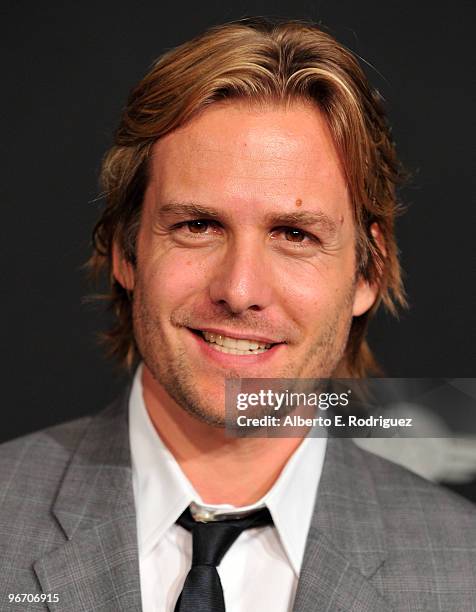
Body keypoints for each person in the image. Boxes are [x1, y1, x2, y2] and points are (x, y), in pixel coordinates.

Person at [0, 18, 475, 612]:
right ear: (125, 251)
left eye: (295, 234)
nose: (240, 288)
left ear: (368, 274)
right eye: (197, 226)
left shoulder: (464, 574)